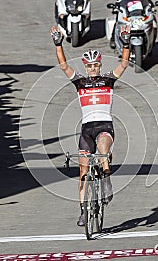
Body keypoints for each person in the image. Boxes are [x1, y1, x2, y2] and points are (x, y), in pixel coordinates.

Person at [50, 24, 130, 226]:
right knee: (83, 173)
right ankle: (82, 211)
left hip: (105, 127)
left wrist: (126, 42)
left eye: (96, 65)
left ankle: (106, 178)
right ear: (85, 66)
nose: (93, 68)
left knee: (103, 145)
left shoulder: (108, 80)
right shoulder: (80, 83)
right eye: (89, 66)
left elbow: (124, 64)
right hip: (86, 130)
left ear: (100, 65)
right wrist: (58, 43)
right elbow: (63, 66)